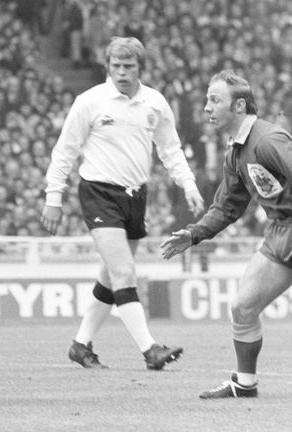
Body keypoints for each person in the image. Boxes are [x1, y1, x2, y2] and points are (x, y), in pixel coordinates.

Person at [41, 37, 204, 370]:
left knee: (110, 276)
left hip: (135, 196)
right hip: (99, 193)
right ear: (107, 67)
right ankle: (150, 350)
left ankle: (80, 344)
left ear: (140, 68)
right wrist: (53, 197)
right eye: (116, 66)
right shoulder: (90, 102)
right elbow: (65, 150)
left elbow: (170, 149)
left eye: (129, 66)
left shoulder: (155, 103)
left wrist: (188, 184)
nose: (122, 72)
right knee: (124, 272)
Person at [161, 70, 292, 399]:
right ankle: (244, 384)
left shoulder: (267, 141)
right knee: (243, 308)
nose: (206, 106)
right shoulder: (236, 152)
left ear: (240, 106)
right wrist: (193, 234)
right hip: (280, 233)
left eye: (215, 100)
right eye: (207, 99)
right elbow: (227, 207)